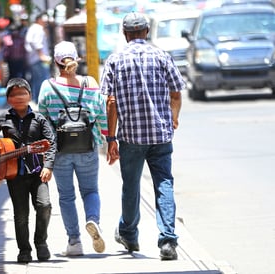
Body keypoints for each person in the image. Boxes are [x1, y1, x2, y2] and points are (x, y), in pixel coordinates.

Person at [100, 12, 184, 260]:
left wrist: (111, 138)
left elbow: (111, 102)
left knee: (131, 186)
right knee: (164, 184)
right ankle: (168, 241)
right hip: (161, 135)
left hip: (131, 137)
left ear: (125, 34)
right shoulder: (161, 56)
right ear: (146, 32)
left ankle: (129, 234)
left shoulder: (116, 60)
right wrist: (174, 117)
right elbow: (176, 92)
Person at [38, 41, 108, 256]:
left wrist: (45, 150)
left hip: (59, 151)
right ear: (76, 59)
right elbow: (101, 115)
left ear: (56, 62)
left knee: (66, 196)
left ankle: (74, 242)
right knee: (90, 191)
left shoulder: (48, 87)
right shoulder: (90, 82)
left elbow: (42, 119)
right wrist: (106, 139)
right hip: (87, 147)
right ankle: (92, 220)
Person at [0, 78, 56, 263]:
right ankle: (24, 250)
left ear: (30, 96)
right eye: (14, 94)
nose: (19, 97)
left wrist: (48, 166)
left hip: (38, 173)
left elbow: (51, 144)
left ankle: (41, 243)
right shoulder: (3, 118)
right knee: (21, 215)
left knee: (44, 206)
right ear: (8, 99)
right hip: (15, 174)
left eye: (23, 93)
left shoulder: (40, 120)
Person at [25, 12, 51, 103]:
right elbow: (37, 43)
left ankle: (36, 99)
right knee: (43, 80)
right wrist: (41, 55)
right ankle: (41, 100)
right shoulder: (38, 29)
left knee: (37, 80)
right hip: (39, 59)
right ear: (39, 19)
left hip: (34, 59)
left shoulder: (32, 28)